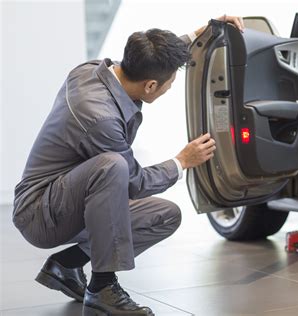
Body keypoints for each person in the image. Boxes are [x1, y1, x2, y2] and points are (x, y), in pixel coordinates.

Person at [12, 15, 244, 316]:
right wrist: (182, 161)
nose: (170, 87)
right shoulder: (100, 117)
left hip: (71, 198)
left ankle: (66, 265)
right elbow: (134, 183)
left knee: (164, 215)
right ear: (150, 85)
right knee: (113, 167)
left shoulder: (90, 71)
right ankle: (102, 290)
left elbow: (152, 57)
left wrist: (200, 33)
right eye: (170, 82)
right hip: (41, 214)